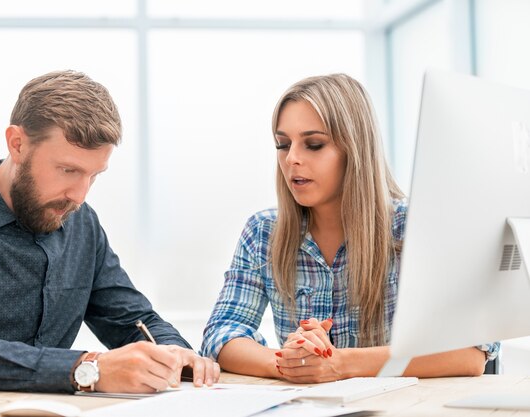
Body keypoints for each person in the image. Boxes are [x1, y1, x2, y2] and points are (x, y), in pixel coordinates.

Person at [0, 70, 219, 397]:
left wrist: (174, 352)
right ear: (17, 144)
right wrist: (87, 368)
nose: (79, 196)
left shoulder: (82, 223)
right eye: (68, 170)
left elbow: (133, 320)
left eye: (93, 176)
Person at [200, 74, 499, 383]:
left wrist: (341, 363)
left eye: (313, 145)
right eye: (283, 145)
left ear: (355, 149)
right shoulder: (263, 231)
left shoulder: (417, 227)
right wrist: (291, 362)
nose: (292, 159)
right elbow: (221, 333)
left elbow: (471, 351)